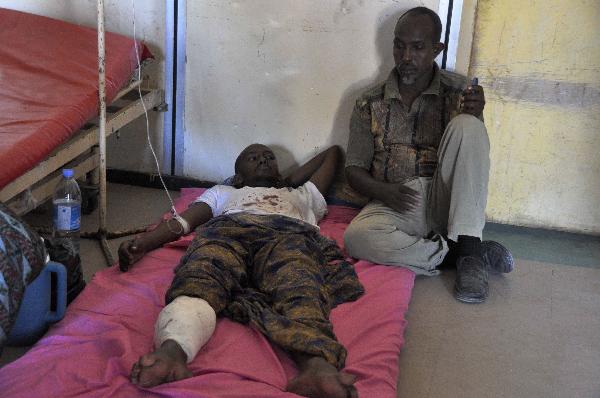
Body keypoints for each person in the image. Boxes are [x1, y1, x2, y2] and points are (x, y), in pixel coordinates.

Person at [118, 144, 363, 398]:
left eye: (269, 158)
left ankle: (316, 367)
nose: (263, 160)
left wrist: (287, 181)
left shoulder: (302, 194)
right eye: (253, 158)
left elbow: (333, 153)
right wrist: (143, 244)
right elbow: (183, 222)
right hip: (229, 231)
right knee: (203, 274)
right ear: (237, 176)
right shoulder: (223, 192)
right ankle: (172, 352)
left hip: (288, 236)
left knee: (300, 285)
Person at [343, 6, 514, 304]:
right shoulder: (368, 101)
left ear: (437, 49)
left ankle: (469, 247)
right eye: (400, 45)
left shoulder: (460, 92)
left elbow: (472, 156)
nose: (406, 57)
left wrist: (477, 115)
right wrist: (383, 191)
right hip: (398, 200)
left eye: (418, 47)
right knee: (356, 237)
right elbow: (353, 170)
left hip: (446, 197)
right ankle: (461, 255)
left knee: (468, 126)